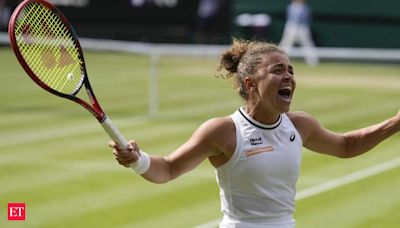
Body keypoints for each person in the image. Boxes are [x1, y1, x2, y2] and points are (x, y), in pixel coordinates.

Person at [109, 38, 400, 227]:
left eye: (291, 70)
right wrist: (137, 160)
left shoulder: (300, 125)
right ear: (250, 84)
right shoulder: (224, 131)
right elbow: (169, 169)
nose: (288, 76)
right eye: (277, 70)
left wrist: (395, 122)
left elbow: (347, 146)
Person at [279, 0, 319, 66]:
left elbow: (308, 19)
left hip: (302, 27)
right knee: (286, 43)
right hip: (291, 27)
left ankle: (313, 61)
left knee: (307, 44)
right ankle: (280, 60)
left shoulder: (306, 8)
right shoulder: (290, 7)